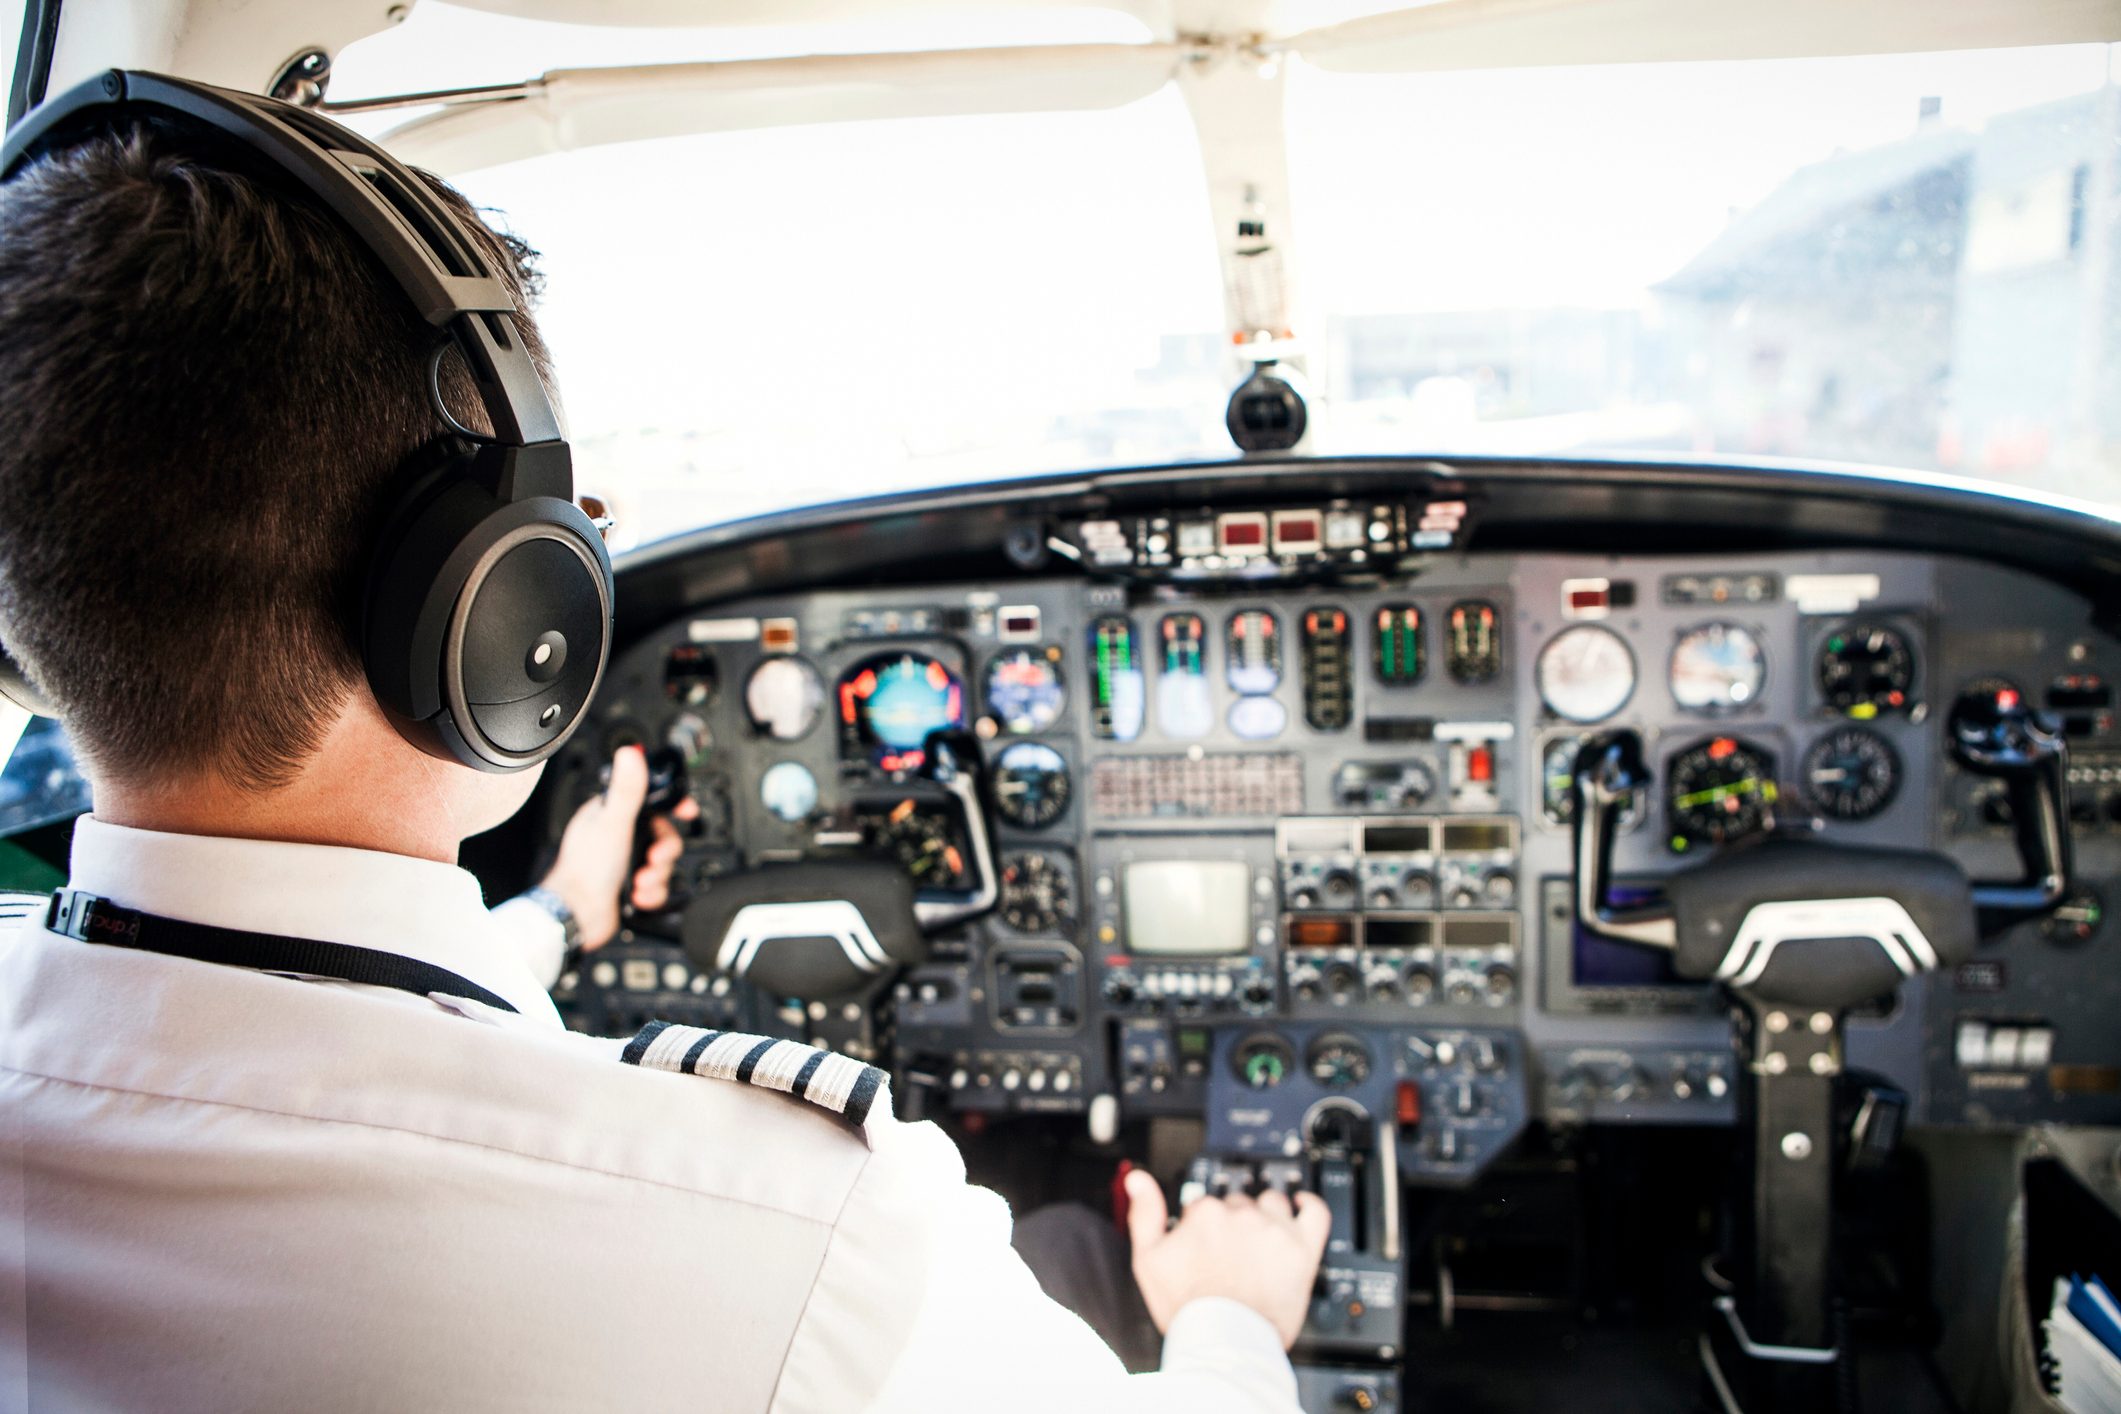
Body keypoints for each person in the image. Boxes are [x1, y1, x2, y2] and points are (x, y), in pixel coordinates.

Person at [0, 107, 1330, 1410]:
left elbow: (292, 1030)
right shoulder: (802, 1232)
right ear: (496, 603)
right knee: (1081, 1249)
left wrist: (557, 914)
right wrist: (1228, 1318)